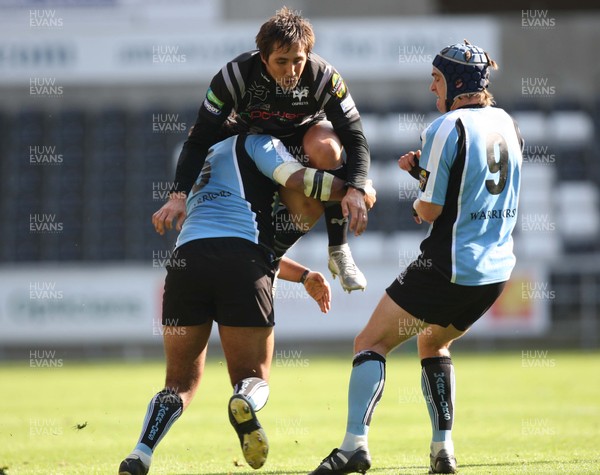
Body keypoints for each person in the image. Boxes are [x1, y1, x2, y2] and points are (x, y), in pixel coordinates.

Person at [309, 40, 523, 474]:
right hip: (496, 270)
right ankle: (443, 449)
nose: (431, 88)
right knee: (434, 341)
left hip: (448, 265)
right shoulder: (507, 122)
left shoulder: (446, 127)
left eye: (437, 79)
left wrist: (418, 188)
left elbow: (429, 211)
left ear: (456, 83)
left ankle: (354, 447)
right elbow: (475, 187)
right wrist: (424, 172)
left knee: (369, 343)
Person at [118, 133, 374, 475]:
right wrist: (355, 188)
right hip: (243, 263)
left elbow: (223, 238)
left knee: (178, 384)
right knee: (253, 378)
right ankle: (244, 400)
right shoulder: (257, 143)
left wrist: (301, 275)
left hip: (186, 262)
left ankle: (141, 452)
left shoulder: (199, 154)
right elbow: (299, 183)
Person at [152, 7, 372, 292]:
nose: (291, 71)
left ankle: (338, 249)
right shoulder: (235, 75)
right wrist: (177, 196)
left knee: (328, 148)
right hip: (253, 135)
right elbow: (198, 140)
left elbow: (355, 137)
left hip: (303, 138)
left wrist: (356, 189)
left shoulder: (325, 77)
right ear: (263, 57)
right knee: (198, 133)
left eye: (298, 61)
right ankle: (271, 254)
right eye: (281, 61)